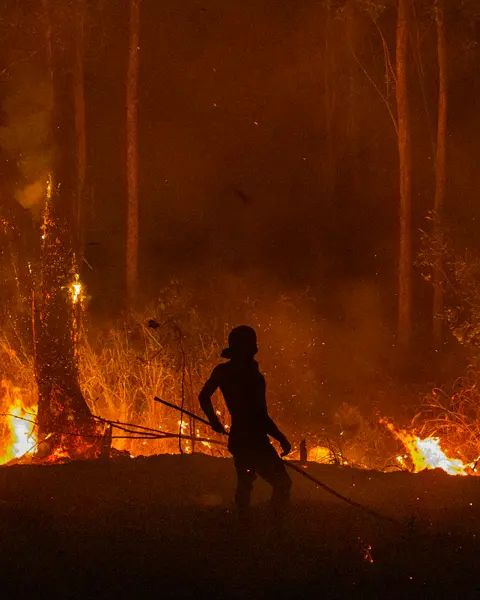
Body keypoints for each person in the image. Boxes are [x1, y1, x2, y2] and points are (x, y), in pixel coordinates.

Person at [199, 326, 292, 516]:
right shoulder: (254, 378)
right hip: (255, 441)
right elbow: (261, 416)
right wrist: (280, 437)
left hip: (239, 439)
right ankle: (275, 525)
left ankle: (243, 525)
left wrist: (214, 421)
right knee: (282, 483)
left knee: (245, 482)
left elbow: (204, 396)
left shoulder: (223, 372)